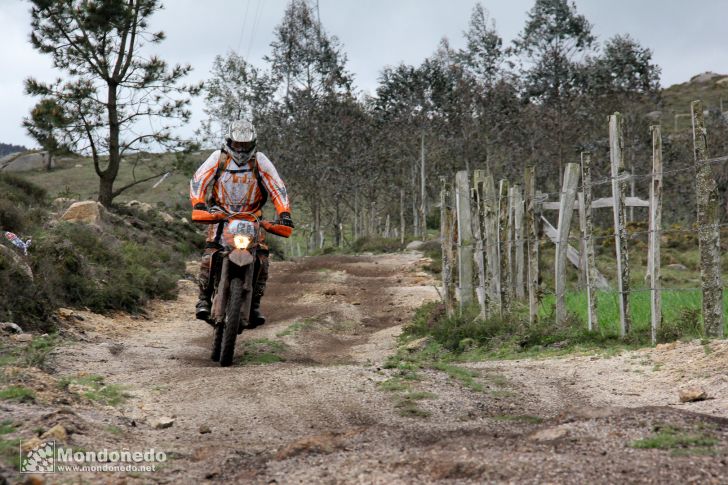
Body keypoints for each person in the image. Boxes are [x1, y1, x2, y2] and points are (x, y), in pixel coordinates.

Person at [189, 119, 293, 325]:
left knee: (261, 258)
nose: (242, 149)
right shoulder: (218, 158)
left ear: (253, 142)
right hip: (221, 215)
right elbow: (198, 180)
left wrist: (284, 212)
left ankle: (254, 304)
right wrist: (199, 203)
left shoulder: (260, 161)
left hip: (252, 216)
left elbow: (277, 186)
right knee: (210, 253)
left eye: (245, 144)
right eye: (238, 144)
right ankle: (203, 299)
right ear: (229, 141)